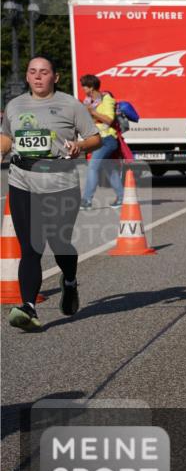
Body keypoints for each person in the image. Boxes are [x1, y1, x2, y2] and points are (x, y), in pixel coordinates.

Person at [1, 56, 101, 331]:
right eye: (32, 71)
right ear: (27, 76)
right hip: (22, 180)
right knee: (30, 247)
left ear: (55, 77)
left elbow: (95, 138)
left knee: (59, 244)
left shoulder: (71, 105)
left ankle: (69, 281)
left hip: (60, 182)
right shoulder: (15, 104)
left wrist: (80, 146)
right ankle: (29, 308)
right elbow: (7, 137)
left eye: (44, 72)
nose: (37, 77)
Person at [79, 74, 124, 210]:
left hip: (107, 139)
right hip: (97, 139)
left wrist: (92, 112)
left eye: (84, 86)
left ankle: (86, 201)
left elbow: (109, 120)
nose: (83, 89)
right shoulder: (87, 101)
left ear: (91, 87)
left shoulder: (107, 99)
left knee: (93, 167)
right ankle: (122, 198)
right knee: (110, 170)